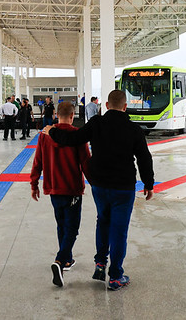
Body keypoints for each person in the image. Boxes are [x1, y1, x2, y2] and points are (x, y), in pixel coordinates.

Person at [42, 90, 154, 291]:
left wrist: (51, 131)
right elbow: (144, 159)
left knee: (103, 221)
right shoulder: (134, 129)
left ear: (107, 106)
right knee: (119, 231)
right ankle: (116, 276)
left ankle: (100, 263)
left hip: (100, 186)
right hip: (123, 187)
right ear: (125, 107)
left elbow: (73, 139)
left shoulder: (96, 123)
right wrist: (149, 183)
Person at [30, 101, 90, 288]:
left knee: (62, 224)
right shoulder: (77, 135)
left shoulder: (45, 135)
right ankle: (59, 260)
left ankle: (67, 260)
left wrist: (34, 184)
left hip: (53, 188)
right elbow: (86, 163)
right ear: (73, 116)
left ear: (56, 114)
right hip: (72, 189)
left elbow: (37, 160)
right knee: (72, 228)